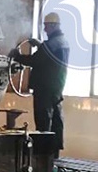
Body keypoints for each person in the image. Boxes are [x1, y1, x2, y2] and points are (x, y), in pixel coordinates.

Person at [9, 12, 70, 157]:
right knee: (56, 119)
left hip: (44, 88)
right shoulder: (63, 42)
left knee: (43, 120)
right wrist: (40, 45)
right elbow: (48, 58)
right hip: (57, 86)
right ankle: (54, 153)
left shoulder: (50, 45)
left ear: (53, 26)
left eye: (47, 26)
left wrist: (17, 56)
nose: (45, 29)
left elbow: (34, 61)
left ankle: (42, 154)